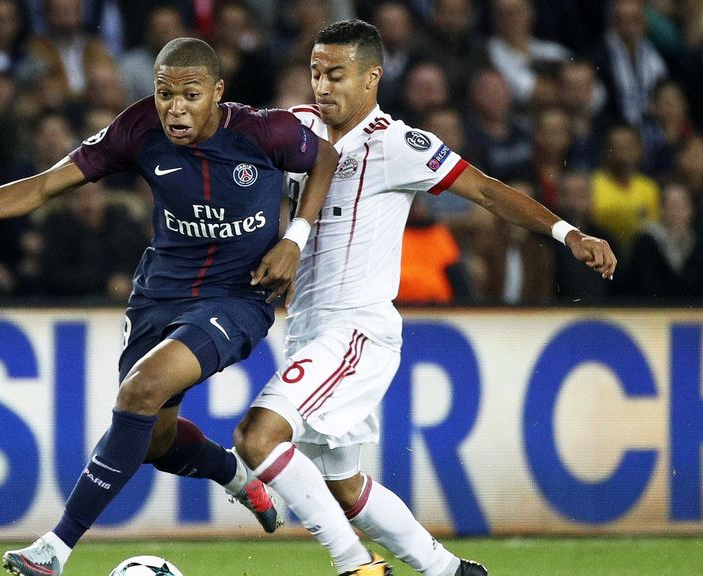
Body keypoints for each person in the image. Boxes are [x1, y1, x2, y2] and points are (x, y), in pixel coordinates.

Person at [0, 37, 339, 576]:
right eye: (165, 94)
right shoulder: (136, 129)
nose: (175, 108)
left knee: (140, 389)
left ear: (217, 92)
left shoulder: (264, 131)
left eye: (190, 95)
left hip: (238, 297)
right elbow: (45, 186)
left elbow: (324, 156)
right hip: (159, 295)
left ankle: (55, 548)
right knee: (155, 439)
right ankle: (234, 475)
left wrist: (296, 237)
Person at [231, 20, 617, 576]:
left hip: (356, 329)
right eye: (316, 73)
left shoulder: (397, 144)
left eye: (336, 74)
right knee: (343, 485)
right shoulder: (295, 128)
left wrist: (569, 234)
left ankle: (356, 566)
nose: (322, 86)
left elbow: (486, 189)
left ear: (372, 78)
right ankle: (450, 571)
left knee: (257, 435)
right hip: (307, 329)